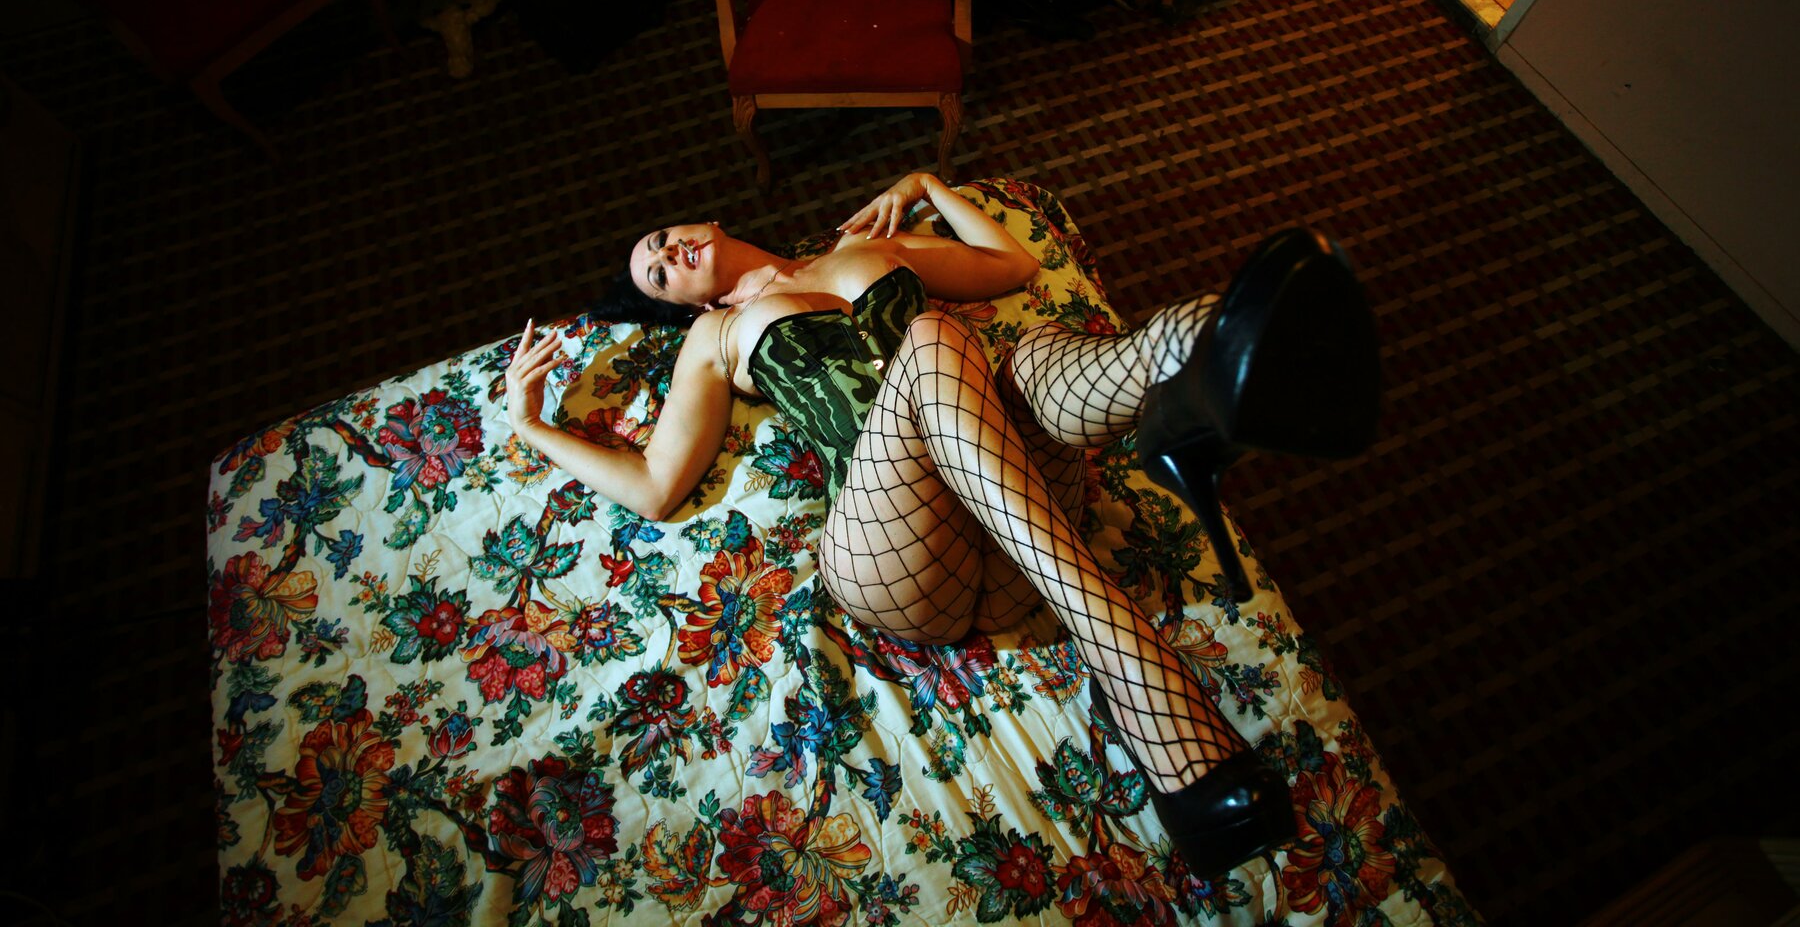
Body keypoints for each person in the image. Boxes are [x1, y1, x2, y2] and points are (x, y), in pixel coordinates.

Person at [504, 172, 1379, 876]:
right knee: (931, 339)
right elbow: (655, 486)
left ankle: (1212, 351)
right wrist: (532, 425)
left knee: (1034, 354)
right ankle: (1129, 600)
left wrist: (929, 183)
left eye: (664, 237)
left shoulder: (865, 249)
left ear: (705, 218)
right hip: (902, 557)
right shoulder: (717, 338)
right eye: (658, 273)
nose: (670, 253)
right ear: (687, 306)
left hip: (1020, 508)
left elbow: (1011, 266)